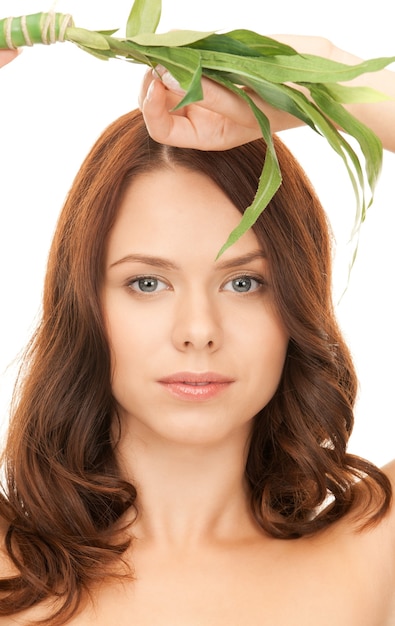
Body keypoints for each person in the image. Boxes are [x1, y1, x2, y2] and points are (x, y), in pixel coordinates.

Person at [0, 37, 394, 626]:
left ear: (295, 303)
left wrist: (316, 76)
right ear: (84, 303)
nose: (198, 332)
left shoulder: (374, 557)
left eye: (243, 284)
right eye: (148, 284)